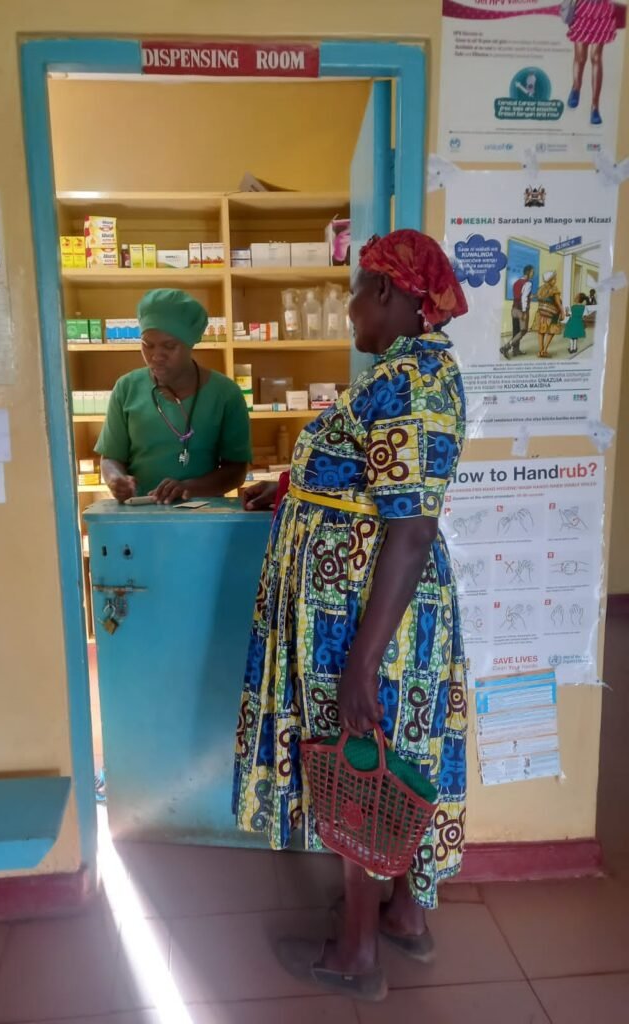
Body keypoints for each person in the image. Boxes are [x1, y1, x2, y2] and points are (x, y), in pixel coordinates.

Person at [233, 229, 468, 1001]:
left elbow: (410, 527)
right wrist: (296, 488)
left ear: (394, 298)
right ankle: (402, 917)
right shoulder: (404, 372)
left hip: (365, 615)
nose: (348, 307)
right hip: (360, 600)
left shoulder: (412, 382)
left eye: (358, 291)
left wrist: (363, 660)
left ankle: (358, 954)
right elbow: (370, 478)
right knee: (389, 751)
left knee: (361, 757)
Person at [95, 288, 251, 503]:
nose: (156, 356)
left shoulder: (225, 394)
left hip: (204, 512)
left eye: (169, 346)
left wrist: (189, 488)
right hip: (140, 513)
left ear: (190, 343)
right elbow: (111, 457)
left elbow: (236, 469)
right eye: (147, 345)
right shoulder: (127, 388)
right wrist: (116, 479)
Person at [566, 0, 619, 126]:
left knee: (596, 57)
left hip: (602, 10)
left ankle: (595, 107)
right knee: (580, 57)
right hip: (583, 8)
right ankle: (576, 87)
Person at [500, 264, 534, 359]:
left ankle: (516, 350)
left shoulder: (516, 282)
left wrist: (531, 296)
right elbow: (523, 298)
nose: (533, 273)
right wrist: (524, 312)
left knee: (516, 331)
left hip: (514, 309)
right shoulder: (528, 283)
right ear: (528, 272)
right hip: (521, 310)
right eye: (532, 272)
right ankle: (506, 347)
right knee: (523, 330)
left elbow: (519, 295)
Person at [532, 270, 565, 358]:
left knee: (541, 331)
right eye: (554, 279)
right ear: (550, 280)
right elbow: (558, 303)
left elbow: (536, 297)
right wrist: (563, 312)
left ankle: (540, 351)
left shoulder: (541, 289)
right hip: (552, 314)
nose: (555, 280)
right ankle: (545, 350)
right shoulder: (555, 289)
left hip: (541, 313)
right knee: (551, 331)